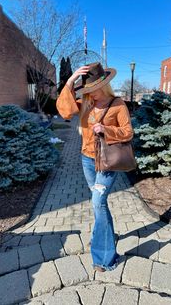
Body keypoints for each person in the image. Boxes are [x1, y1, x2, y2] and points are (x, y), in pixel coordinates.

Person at [56, 62, 134, 272]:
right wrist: (71, 80)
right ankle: (106, 235)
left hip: (107, 162)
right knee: (98, 203)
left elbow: (128, 132)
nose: (90, 93)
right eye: (87, 90)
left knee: (98, 202)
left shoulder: (117, 104)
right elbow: (64, 111)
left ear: (104, 85)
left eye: (92, 89)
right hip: (86, 160)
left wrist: (107, 129)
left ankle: (104, 257)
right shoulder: (86, 103)